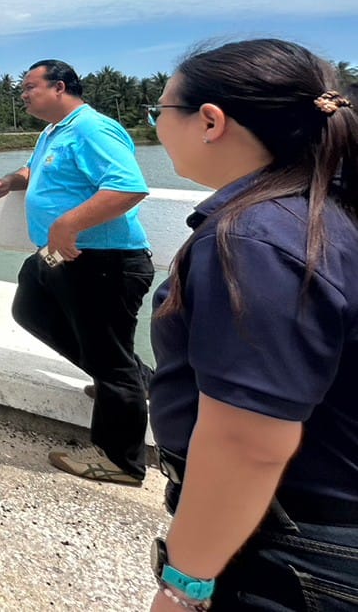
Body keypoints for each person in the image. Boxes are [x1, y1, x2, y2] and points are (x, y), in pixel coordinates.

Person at [144, 40, 358, 611]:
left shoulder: (254, 239)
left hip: (297, 541)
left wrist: (183, 586)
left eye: (160, 111)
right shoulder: (319, 209)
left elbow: (248, 445)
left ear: (210, 121)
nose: (158, 126)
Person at [0, 60, 153, 485]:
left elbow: (129, 186)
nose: (23, 94)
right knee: (29, 305)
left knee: (111, 361)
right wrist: (8, 182)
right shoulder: (55, 130)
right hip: (65, 257)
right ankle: (131, 380)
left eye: (30, 87)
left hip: (104, 262)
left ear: (59, 87)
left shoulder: (93, 128)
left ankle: (120, 461)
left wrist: (66, 224)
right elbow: (37, 170)